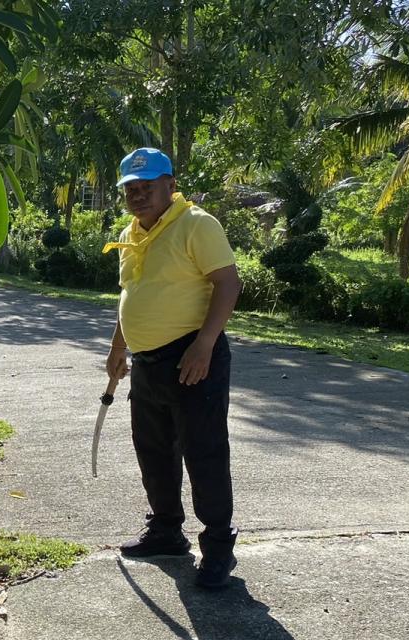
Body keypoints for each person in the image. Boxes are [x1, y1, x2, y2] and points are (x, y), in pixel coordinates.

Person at [102, 147, 242, 589]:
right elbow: (131, 295)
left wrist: (205, 344)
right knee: (154, 452)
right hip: (147, 363)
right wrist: (117, 348)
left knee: (204, 455)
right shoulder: (132, 233)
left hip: (192, 358)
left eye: (147, 187)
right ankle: (166, 531)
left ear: (170, 185)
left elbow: (228, 283)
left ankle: (218, 546)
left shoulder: (196, 224)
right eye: (131, 189)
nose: (138, 196)